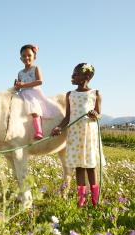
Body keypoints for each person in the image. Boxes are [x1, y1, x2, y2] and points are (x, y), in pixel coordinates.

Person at [51, 63, 106, 207]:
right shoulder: (70, 95)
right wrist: (59, 127)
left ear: (86, 76)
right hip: (75, 134)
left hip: (89, 133)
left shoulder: (95, 93)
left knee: (91, 166)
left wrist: (95, 115)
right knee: (79, 167)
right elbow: (68, 117)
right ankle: (81, 200)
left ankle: (95, 201)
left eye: (76, 74)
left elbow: (99, 115)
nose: (72, 76)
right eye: (73, 73)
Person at [14, 44, 56, 139]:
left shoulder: (36, 68)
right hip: (22, 94)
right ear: (21, 59)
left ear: (34, 57)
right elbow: (19, 87)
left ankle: (39, 131)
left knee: (34, 110)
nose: (26, 58)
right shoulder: (20, 72)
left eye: (29, 55)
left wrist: (24, 85)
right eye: (24, 56)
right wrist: (17, 86)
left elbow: (40, 81)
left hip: (33, 94)